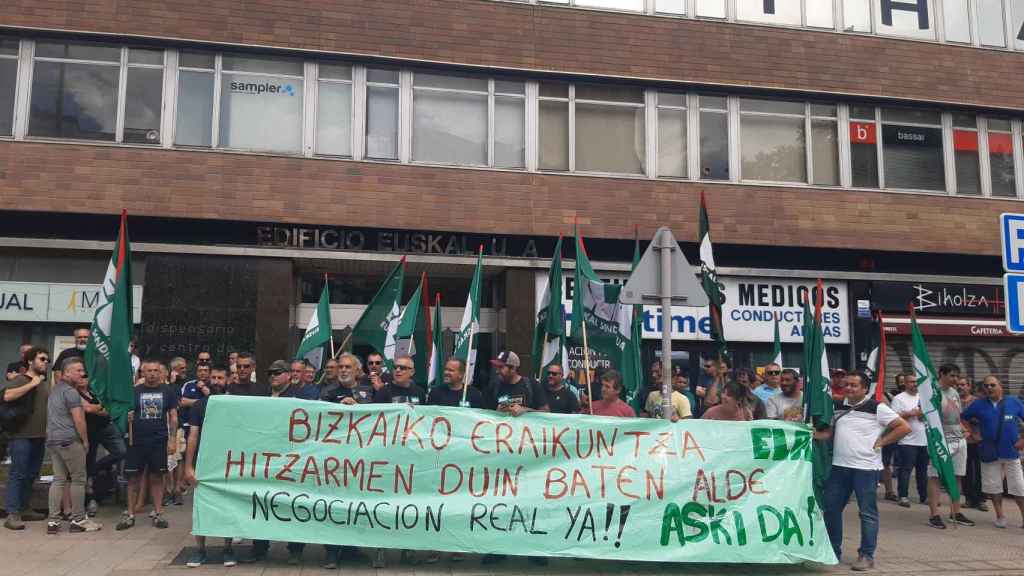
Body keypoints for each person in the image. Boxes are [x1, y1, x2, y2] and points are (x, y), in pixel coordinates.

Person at [821, 371, 911, 571]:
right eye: (847, 385)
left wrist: (882, 442)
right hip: (839, 467)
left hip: (866, 469)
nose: (849, 389)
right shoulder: (838, 406)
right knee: (831, 510)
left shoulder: (877, 407)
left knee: (867, 513)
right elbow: (828, 433)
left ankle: (866, 555)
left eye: (854, 385)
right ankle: (832, 551)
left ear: (864, 389)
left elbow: (903, 427)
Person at [243, 360, 302, 564]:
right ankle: (259, 547)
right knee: (262, 501)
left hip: (290, 458)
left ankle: (295, 549)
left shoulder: (299, 396)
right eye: (270, 373)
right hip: (265, 458)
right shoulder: (261, 396)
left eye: (277, 372)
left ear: (288, 375)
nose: (273, 376)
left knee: (293, 503)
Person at [183, 365, 237, 567]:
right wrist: (188, 466)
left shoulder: (234, 404)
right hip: (204, 463)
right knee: (201, 507)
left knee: (228, 506)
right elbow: (193, 436)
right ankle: (200, 550)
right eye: (213, 377)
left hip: (228, 462)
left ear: (227, 380)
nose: (215, 381)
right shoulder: (199, 405)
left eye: (220, 377)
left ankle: (228, 548)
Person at [116, 360, 178, 531]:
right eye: (148, 370)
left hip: (159, 440)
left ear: (161, 372)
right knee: (133, 478)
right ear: (142, 372)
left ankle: (158, 513)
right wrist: (126, 417)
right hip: (136, 441)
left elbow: (173, 416)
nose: (152, 374)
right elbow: (123, 414)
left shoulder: (168, 391)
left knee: (157, 477)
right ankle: (130, 514)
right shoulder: (133, 392)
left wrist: (172, 439)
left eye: (155, 370)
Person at [45, 358, 101, 533]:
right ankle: (78, 520)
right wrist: (85, 440)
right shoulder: (71, 392)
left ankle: (53, 521)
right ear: (66, 372)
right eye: (77, 370)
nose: (81, 373)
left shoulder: (54, 391)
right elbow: (79, 419)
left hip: (53, 440)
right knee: (78, 480)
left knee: (59, 480)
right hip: (69, 440)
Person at [960, 375, 1024, 529]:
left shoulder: (1013, 402)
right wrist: (973, 434)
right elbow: (962, 418)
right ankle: (1000, 516)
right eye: (986, 386)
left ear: (1000, 386)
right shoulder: (978, 404)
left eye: (992, 385)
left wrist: (1022, 441)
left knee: (1018, 487)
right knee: (993, 487)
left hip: (1011, 451)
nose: (989, 388)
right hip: (988, 451)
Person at [2, 346, 50, 530]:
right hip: (21, 436)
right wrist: (31, 384)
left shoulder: (45, 384)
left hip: (39, 436)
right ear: (30, 361)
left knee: (31, 474)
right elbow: (6, 396)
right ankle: (12, 514)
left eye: (46, 360)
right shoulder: (21, 379)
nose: (45, 362)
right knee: (18, 474)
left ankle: (24, 508)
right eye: (41, 359)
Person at [925, 363, 975, 529]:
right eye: (952, 376)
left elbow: (956, 416)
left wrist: (964, 430)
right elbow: (925, 416)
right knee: (936, 476)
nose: (955, 379)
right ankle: (934, 514)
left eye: (957, 376)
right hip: (940, 439)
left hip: (958, 439)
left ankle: (956, 512)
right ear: (941, 374)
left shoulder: (954, 392)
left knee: (957, 475)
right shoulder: (931, 392)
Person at [75, 369, 126, 516]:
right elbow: (88, 409)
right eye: (80, 376)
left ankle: (96, 469)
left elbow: (107, 409)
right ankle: (91, 500)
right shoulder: (73, 393)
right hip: (88, 431)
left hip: (105, 427)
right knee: (88, 463)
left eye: (86, 375)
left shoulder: (96, 390)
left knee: (121, 451)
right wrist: (98, 408)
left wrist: (98, 409)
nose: (83, 378)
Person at [891, 374, 928, 507]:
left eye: (916, 382)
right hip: (907, 441)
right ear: (905, 384)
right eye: (911, 382)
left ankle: (924, 497)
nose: (914, 384)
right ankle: (903, 496)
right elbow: (893, 418)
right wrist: (910, 413)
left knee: (922, 471)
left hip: (924, 440)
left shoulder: (923, 397)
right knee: (905, 470)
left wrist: (923, 415)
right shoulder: (899, 399)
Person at [488, 351, 548, 416]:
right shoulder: (494, 387)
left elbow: (546, 412)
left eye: (501, 367)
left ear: (513, 368)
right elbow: (486, 414)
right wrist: (496, 412)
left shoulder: (532, 385)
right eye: (496, 367)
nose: (497, 371)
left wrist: (525, 410)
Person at [958, 376, 987, 511]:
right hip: (962, 440)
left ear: (969, 386)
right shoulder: (954, 400)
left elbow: (984, 418)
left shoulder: (977, 402)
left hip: (978, 439)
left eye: (964, 384)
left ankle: (981, 500)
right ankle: (969, 498)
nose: (960, 387)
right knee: (966, 471)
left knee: (981, 471)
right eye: (959, 385)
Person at [880, 372, 908, 502]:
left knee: (902, 464)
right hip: (890, 433)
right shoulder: (888, 396)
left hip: (907, 435)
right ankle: (889, 491)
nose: (903, 383)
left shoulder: (914, 396)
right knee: (886, 463)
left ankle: (903, 493)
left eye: (904, 381)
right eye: (900, 381)